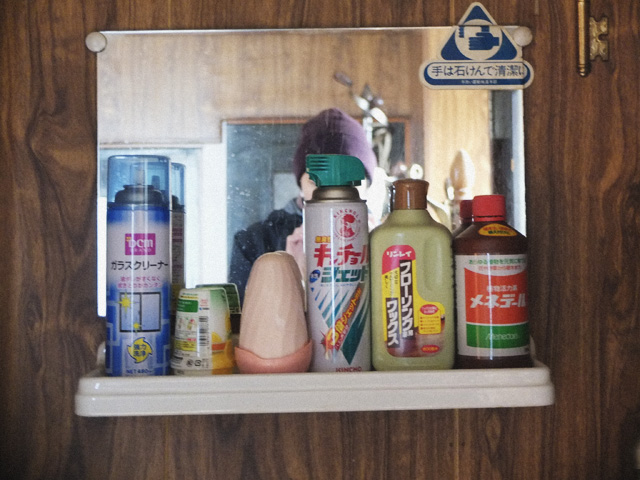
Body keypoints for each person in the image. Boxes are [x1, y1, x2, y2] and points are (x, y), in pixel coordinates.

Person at [228, 108, 377, 304]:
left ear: (367, 186)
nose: (332, 191)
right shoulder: (254, 241)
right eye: (317, 181)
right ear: (300, 184)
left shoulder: (390, 241)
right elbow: (243, 318)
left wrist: (380, 258)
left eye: (347, 180)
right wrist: (291, 278)